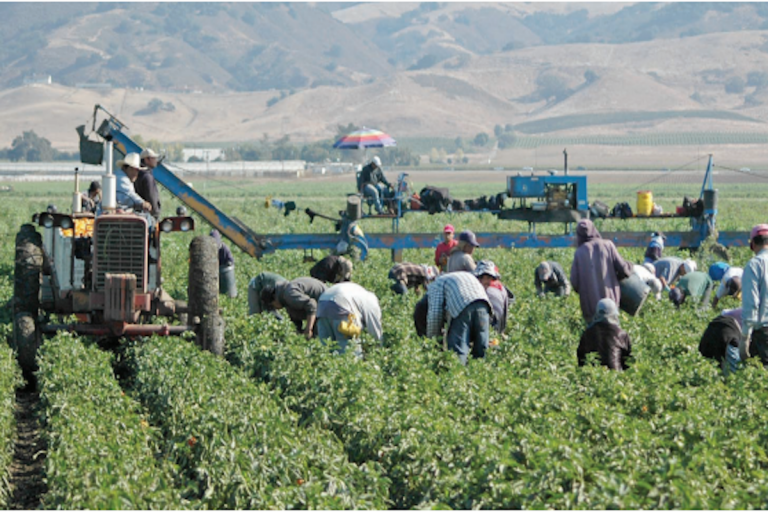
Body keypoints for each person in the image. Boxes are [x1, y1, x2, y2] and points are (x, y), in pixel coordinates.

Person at [570, 219, 633, 324]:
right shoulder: (608, 245)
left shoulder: (579, 253)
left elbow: (575, 282)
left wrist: (586, 291)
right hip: (610, 304)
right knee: (613, 335)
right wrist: (630, 266)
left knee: (594, 338)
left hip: (590, 309)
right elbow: (624, 270)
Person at [426, 271, 492, 365]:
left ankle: (459, 376)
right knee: (481, 349)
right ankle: (480, 375)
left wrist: (433, 342)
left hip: (462, 305)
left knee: (458, 351)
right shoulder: (464, 276)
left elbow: (435, 315)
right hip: (483, 305)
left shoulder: (436, 284)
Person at [316, 282, 382, 356]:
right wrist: (379, 348)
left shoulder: (361, 293)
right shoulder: (371, 302)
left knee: (327, 349)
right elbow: (374, 327)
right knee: (350, 351)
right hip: (341, 304)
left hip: (322, 305)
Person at [261, 277, 327, 339]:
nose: (275, 308)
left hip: (327, 303)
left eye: (272, 305)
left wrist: (308, 329)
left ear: (274, 299)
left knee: (318, 336)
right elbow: (295, 317)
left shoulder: (289, 294)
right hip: (322, 304)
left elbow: (312, 305)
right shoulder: (285, 296)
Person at [577, 298, 632, 371]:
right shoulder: (621, 334)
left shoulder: (588, 332)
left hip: (592, 374)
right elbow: (627, 361)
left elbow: (581, 357)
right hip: (615, 375)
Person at [740, 224, 768, 366]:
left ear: (753, 244)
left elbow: (751, 303)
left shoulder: (755, 265)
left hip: (764, 333)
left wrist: (745, 336)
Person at [699, 308, 756, 373]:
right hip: (730, 333)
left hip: (713, 328)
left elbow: (724, 312)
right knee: (735, 375)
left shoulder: (748, 308)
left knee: (708, 369)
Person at [474, 260, 511, 334]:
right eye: (487, 278)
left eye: (490, 278)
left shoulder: (489, 293)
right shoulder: (500, 288)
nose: (488, 281)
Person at [136, 147, 162, 219]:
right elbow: (152, 198)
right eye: (153, 158)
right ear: (146, 159)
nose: (156, 160)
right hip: (149, 216)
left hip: (139, 214)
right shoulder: (147, 177)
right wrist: (156, 214)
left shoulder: (137, 174)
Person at [210, 230, 237, 297]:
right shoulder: (210, 249)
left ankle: (229, 294)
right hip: (215, 269)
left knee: (227, 288)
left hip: (224, 268)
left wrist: (229, 263)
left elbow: (230, 260)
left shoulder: (224, 248)